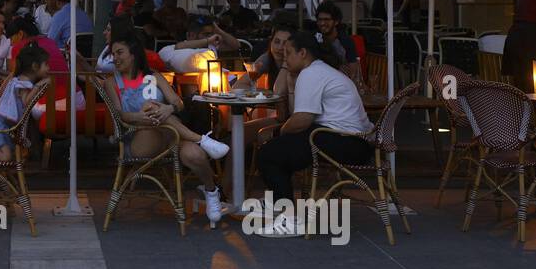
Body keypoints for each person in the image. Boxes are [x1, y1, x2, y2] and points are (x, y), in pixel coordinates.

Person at [101, 32, 230, 226]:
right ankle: (202, 139)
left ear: (133, 54)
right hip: (139, 138)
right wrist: (142, 116)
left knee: (194, 156)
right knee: (152, 107)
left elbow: (178, 103)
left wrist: (168, 108)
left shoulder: (154, 76)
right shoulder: (112, 82)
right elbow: (121, 115)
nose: (115, 58)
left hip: (169, 134)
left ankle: (212, 192)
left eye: (120, 53)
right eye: (113, 54)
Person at [256, 31, 373, 235]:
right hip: (349, 139)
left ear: (302, 53)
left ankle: (289, 219)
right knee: (279, 149)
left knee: (269, 154)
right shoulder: (318, 71)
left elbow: (302, 119)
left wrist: (281, 132)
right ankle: (279, 202)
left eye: (289, 53)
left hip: (346, 142)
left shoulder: (311, 73)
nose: (285, 59)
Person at [315, 1, 361, 82]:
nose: (322, 23)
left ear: (336, 21)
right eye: (320, 19)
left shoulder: (345, 41)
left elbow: (353, 72)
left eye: (327, 19)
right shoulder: (315, 38)